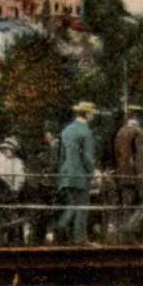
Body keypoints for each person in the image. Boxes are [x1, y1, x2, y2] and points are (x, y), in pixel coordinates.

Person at [54, 102, 99, 243]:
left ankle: (61, 227)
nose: (93, 116)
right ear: (86, 114)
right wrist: (93, 173)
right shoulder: (86, 132)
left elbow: (60, 156)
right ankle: (78, 238)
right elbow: (87, 157)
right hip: (80, 175)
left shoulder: (65, 131)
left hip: (66, 174)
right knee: (82, 207)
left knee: (72, 204)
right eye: (91, 113)